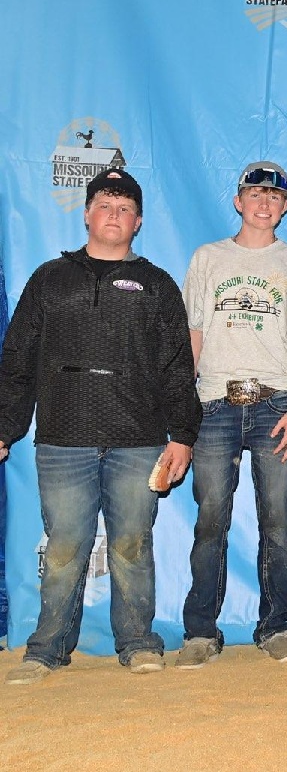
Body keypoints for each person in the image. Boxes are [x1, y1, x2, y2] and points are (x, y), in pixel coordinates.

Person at [0, 169, 202, 684]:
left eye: (125, 207)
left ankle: (137, 641)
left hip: (138, 439)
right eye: (105, 205)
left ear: (138, 221)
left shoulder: (156, 284)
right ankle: (47, 648)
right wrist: (5, 426)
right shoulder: (49, 278)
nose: (114, 215)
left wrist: (183, 435)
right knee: (64, 546)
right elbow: (17, 356)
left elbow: (178, 367)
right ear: (87, 213)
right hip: (63, 438)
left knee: (133, 544)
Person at [176, 162, 287, 669]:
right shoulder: (207, 259)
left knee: (276, 522)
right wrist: (182, 412)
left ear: (285, 207)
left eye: (274, 196)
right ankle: (200, 631)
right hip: (214, 403)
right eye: (254, 193)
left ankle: (276, 625)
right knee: (210, 520)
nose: (264, 203)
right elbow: (192, 337)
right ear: (238, 201)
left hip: (275, 404)